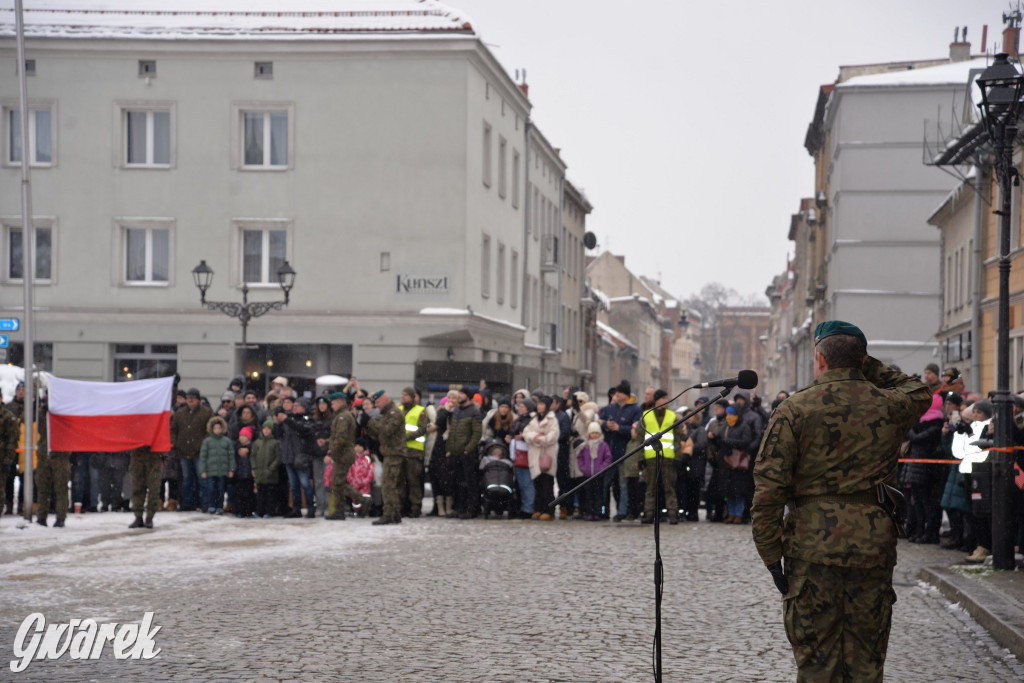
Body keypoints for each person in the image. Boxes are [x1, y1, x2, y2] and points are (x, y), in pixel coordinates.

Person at [751, 320, 930, 681]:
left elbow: (768, 491)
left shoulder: (794, 410)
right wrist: (864, 363)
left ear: (819, 359)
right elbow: (918, 390)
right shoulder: (891, 404)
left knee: (817, 661)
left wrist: (772, 558)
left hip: (811, 548)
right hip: (872, 544)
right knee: (866, 660)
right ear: (862, 360)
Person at [366, 390, 408, 525]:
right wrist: (368, 425)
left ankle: (388, 513)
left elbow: (386, 431)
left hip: (394, 453)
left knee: (388, 485)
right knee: (390, 485)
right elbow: (379, 434)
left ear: (385, 400)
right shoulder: (386, 414)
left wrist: (370, 423)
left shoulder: (394, 414)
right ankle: (395, 513)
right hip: (389, 453)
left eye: (377, 402)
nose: (376, 405)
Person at [638, 389, 679, 524]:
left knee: (669, 487)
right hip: (650, 457)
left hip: (668, 457)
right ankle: (649, 514)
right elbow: (639, 439)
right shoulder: (645, 416)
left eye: (666, 399)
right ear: (656, 401)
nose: (664, 402)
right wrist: (640, 457)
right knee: (650, 488)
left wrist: (678, 457)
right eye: (662, 399)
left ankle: (673, 514)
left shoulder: (673, 416)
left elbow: (678, 439)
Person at [170, 388, 213, 511]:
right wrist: (176, 442)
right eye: (189, 399)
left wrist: (202, 444)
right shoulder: (180, 413)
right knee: (186, 479)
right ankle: (187, 503)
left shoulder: (207, 412)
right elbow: (173, 429)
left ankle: (204, 503)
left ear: (198, 400)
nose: (190, 401)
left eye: (192, 399)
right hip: (183, 451)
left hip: (200, 452)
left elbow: (209, 430)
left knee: (202, 479)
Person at [325, 392, 366, 520]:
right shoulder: (342, 415)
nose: (331, 406)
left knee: (338, 483)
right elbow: (338, 437)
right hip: (342, 454)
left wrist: (332, 452)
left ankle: (361, 500)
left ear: (340, 402)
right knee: (338, 482)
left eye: (333, 403)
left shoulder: (343, 417)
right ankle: (339, 510)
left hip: (343, 454)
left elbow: (341, 438)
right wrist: (326, 442)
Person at [446, 387, 484, 519]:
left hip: (468, 454)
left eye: (461, 394)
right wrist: (450, 449)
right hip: (455, 452)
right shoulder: (456, 410)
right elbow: (452, 432)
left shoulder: (474, 411)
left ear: (468, 396)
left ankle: (472, 508)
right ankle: (459, 508)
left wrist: (468, 448)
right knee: (457, 482)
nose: (459, 396)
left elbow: (477, 433)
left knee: (470, 482)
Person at [523, 395, 559, 521]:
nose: (539, 407)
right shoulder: (533, 419)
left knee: (547, 485)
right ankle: (538, 508)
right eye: (538, 404)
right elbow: (526, 433)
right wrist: (535, 437)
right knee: (537, 484)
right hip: (534, 455)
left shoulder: (552, 419)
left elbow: (553, 436)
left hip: (546, 455)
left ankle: (549, 510)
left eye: (542, 404)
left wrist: (540, 439)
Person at [399, 386, 428, 517]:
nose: (403, 397)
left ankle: (415, 507)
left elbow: (422, 429)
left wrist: (406, 437)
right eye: (402, 394)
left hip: (414, 451)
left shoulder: (420, 411)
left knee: (413, 481)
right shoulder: (398, 410)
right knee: (401, 481)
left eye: (406, 395)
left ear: (412, 397)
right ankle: (402, 506)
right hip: (400, 451)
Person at [575, 422, 612, 520]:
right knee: (588, 495)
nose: (594, 435)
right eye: (592, 433)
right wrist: (583, 468)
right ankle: (589, 513)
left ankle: (597, 513)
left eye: (596, 433)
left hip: (599, 475)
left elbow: (608, 458)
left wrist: (602, 468)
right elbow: (580, 457)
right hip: (587, 475)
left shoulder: (603, 445)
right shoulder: (585, 446)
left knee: (598, 495)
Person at [199, 416, 235, 515]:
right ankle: (211, 505)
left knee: (221, 489)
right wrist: (203, 470)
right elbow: (203, 457)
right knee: (211, 489)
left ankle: (219, 506)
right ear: (211, 429)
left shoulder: (227, 441)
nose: (217, 430)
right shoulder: (207, 442)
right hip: (210, 471)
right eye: (215, 428)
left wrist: (231, 469)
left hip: (222, 471)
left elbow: (231, 456)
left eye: (219, 428)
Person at [128, 444, 165, 529]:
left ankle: (149, 517)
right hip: (137, 455)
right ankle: (138, 516)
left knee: (154, 489)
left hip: (155, 455)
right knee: (137, 487)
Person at [252, 419, 281, 519]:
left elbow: (278, 457)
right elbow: (253, 456)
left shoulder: (275, 443)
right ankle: (259, 511)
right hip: (259, 473)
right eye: (264, 428)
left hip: (270, 474)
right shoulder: (257, 443)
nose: (266, 431)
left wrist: (271, 468)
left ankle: (269, 511)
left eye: (268, 429)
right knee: (260, 494)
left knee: (270, 495)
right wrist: (254, 467)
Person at [232, 426, 256, 518]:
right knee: (239, 494)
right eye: (241, 436)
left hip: (249, 475)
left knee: (250, 494)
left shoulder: (252, 447)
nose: (242, 438)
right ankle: (240, 511)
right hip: (239, 475)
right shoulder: (236, 447)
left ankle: (250, 511)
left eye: (244, 436)